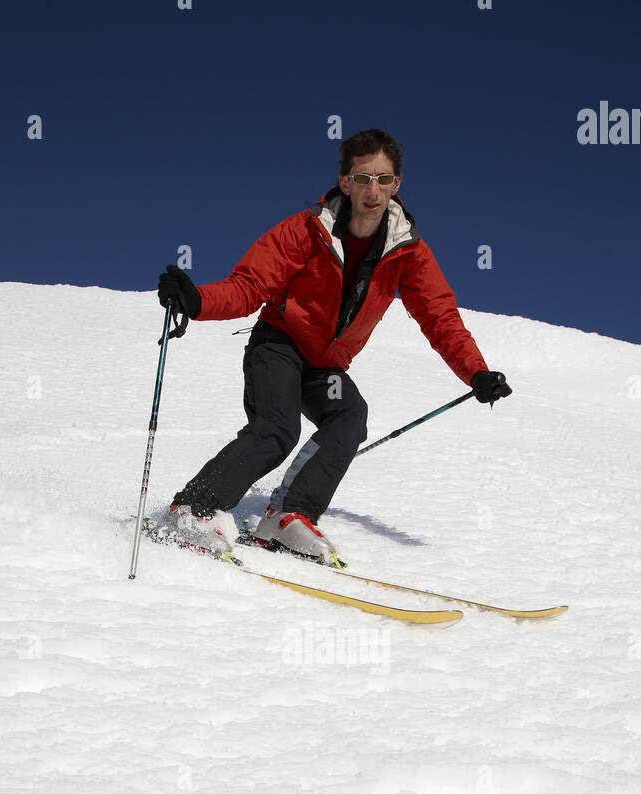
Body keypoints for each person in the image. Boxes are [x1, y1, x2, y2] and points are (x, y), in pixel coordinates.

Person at [156, 127, 511, 565]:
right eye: (363, 178)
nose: (373, 190)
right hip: (279, 345)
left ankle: (287, 516)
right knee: (277, 429)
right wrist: (197, 301)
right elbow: (250, 285)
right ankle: (191, 511)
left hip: (324, 366)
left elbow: (439, 315)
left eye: (383, 179)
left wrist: (475, 371)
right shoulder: (306, 231)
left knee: (348, 415)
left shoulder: (408, 251)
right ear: (345, 182)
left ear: (397, 184)